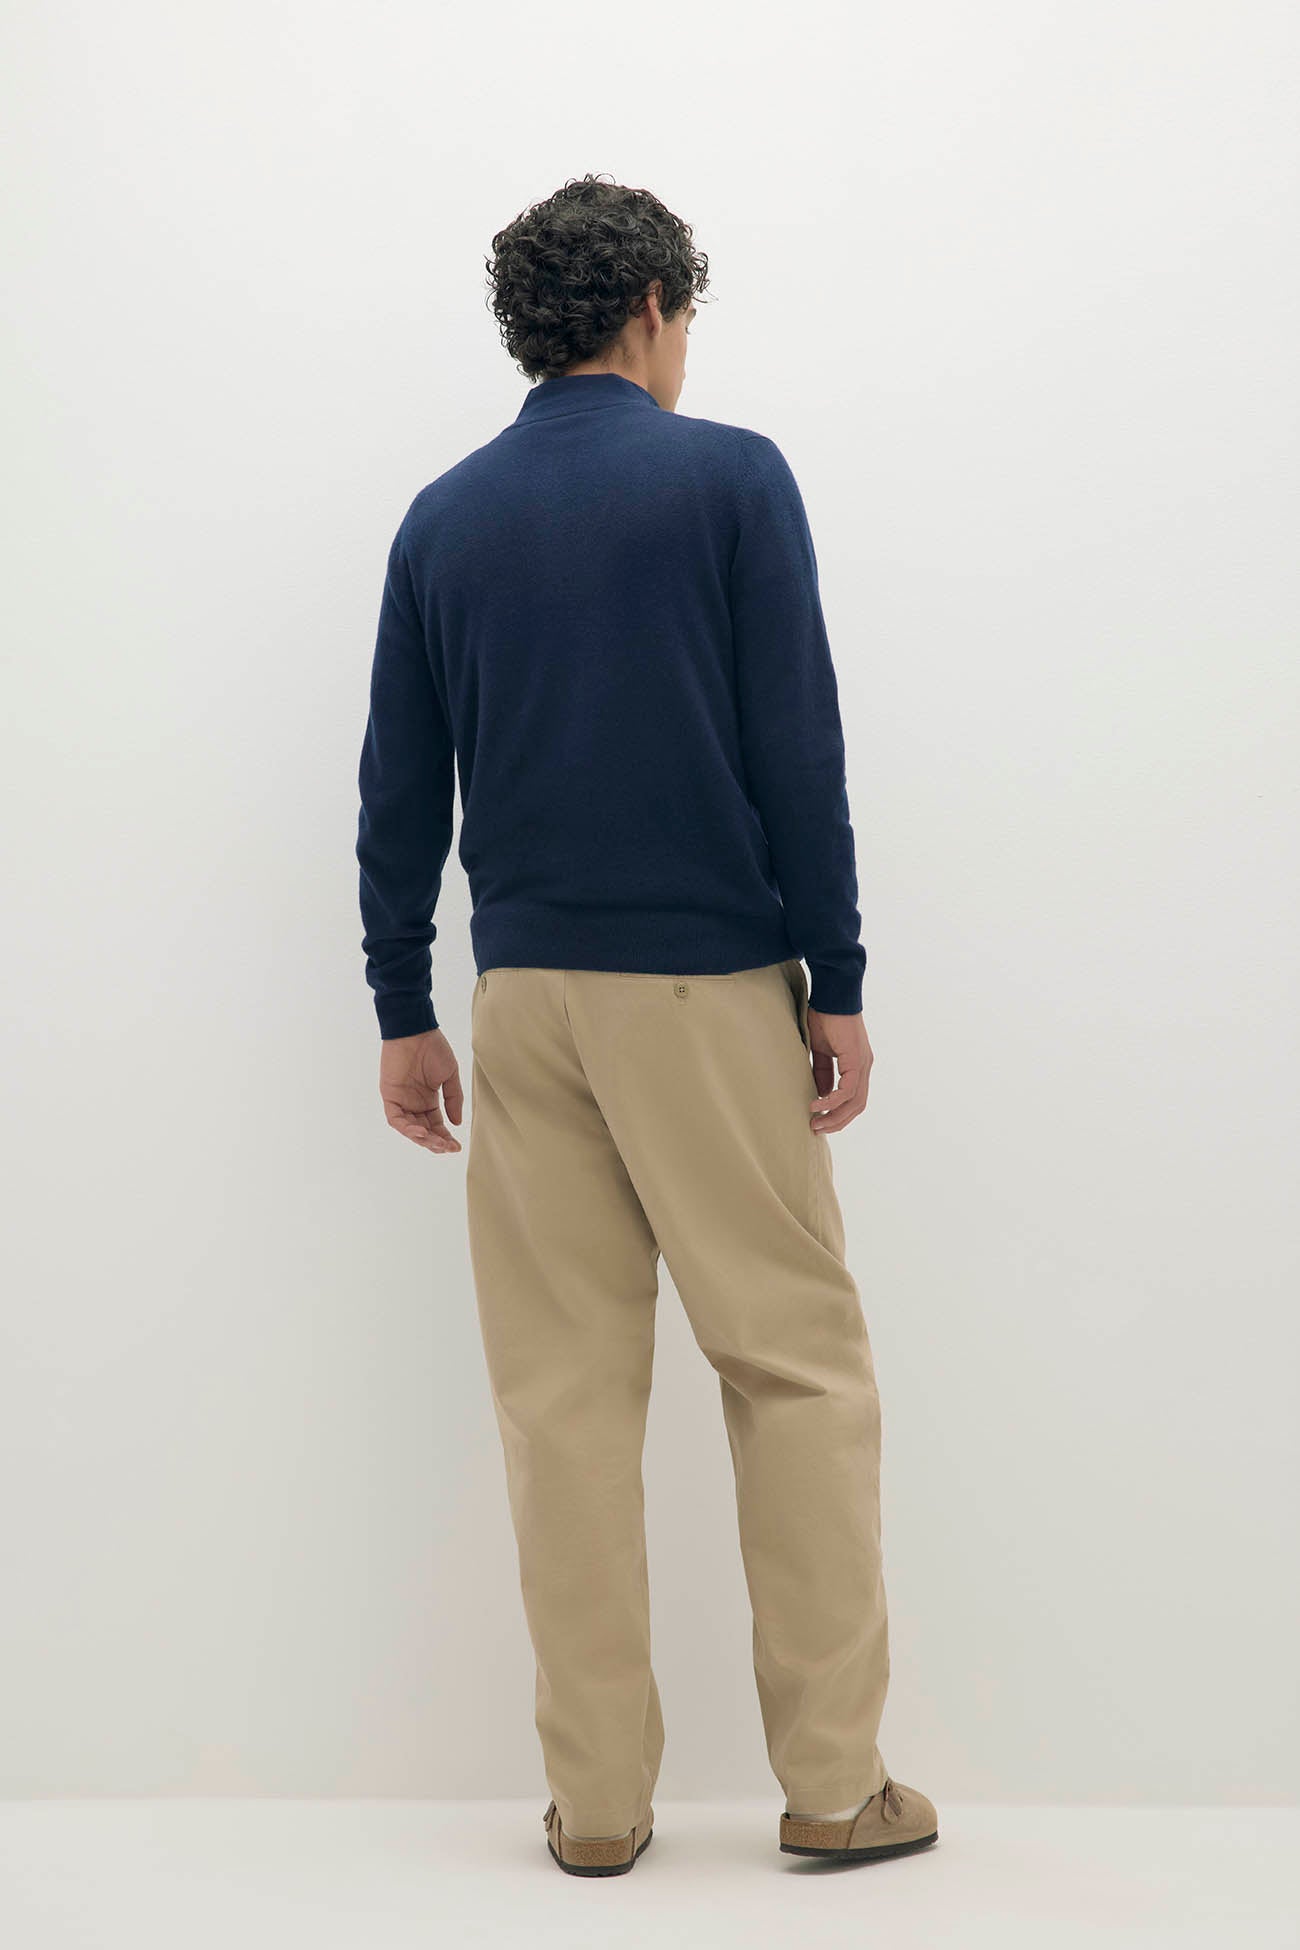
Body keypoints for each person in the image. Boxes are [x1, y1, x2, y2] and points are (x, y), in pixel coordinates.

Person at [355, 172, 938, 1878]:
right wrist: (835, 976)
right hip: (702, 989)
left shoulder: (443, 520)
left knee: (562, 1403)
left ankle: (598, 1805)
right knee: (796, 1365)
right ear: (656, 309)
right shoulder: (730, 479)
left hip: (522, 1000)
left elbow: (399, 788)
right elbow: (798, 746)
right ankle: (833, 1784)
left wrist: (403, 1003)